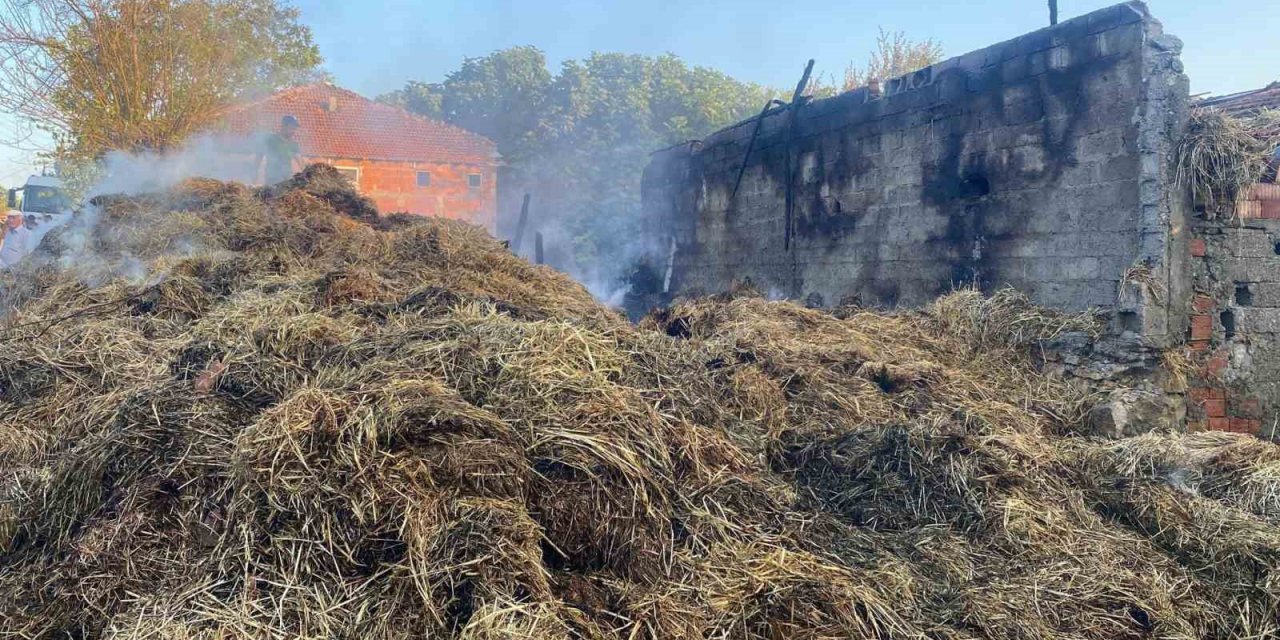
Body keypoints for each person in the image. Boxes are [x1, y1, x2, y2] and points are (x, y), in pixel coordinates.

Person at [256, 115, 303, 186]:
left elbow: (300, 161)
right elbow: (260, 154)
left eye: (294, 129)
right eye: (291, 128)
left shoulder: (294, 144)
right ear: (284, 126)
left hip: (287, 180)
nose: (293, 131)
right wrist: (255, 172)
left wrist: (307, 173)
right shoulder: (271, 139)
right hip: (272, 179)